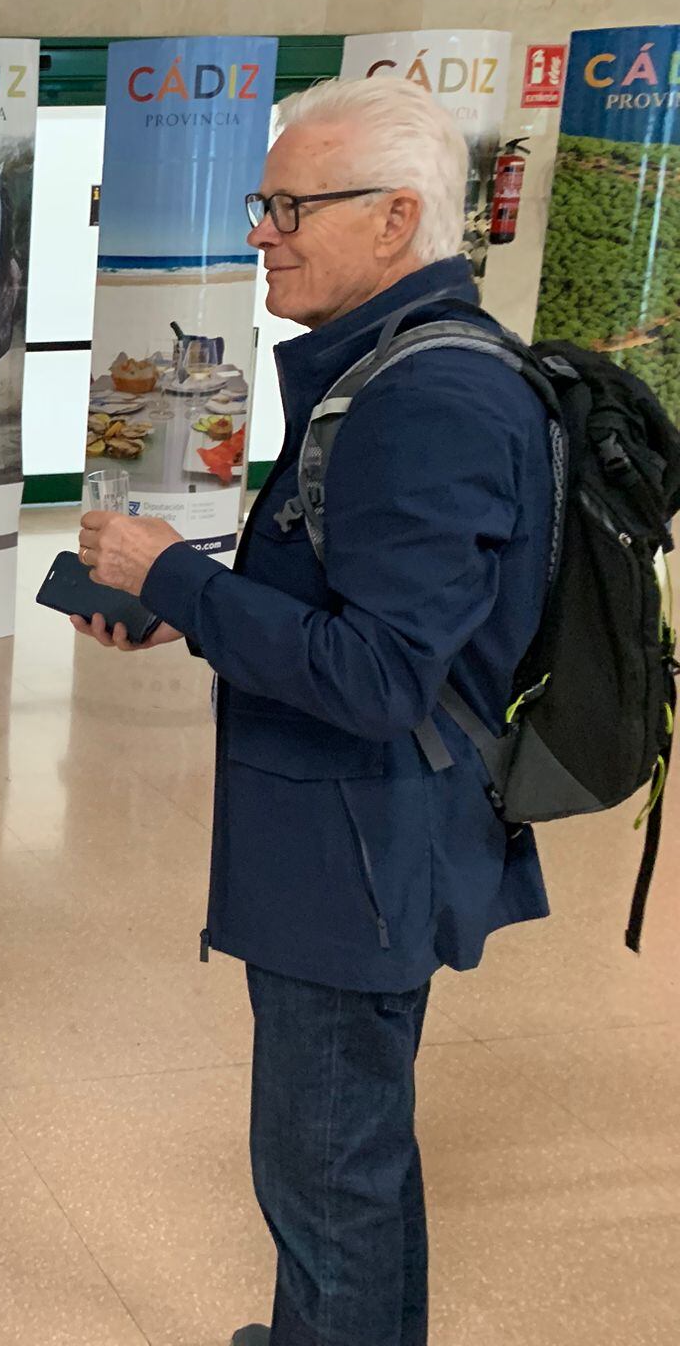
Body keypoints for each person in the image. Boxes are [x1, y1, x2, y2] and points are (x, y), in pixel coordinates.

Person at [76, 75, 551, 1346]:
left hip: (358, 858)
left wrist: (172, 572)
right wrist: (193, 608)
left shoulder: (426, 398)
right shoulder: (390, 368)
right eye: (262, 200)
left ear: (396, 220)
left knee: (325, 1174)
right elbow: (351, 606)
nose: (261, 230)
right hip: (356, 840)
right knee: (347, 1164)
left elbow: (379, 676)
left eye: (291, 205)